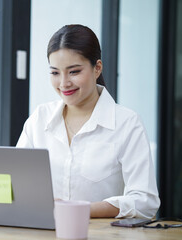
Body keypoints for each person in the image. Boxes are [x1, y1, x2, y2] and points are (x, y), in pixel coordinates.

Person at [16, 24, 160, 218]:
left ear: (97, 68)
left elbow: (145, 201)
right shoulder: (40, 118)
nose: (64, 83)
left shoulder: (127, 123)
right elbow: (16, 182)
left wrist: (78, 209)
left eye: (74, 71)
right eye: (55, 72)